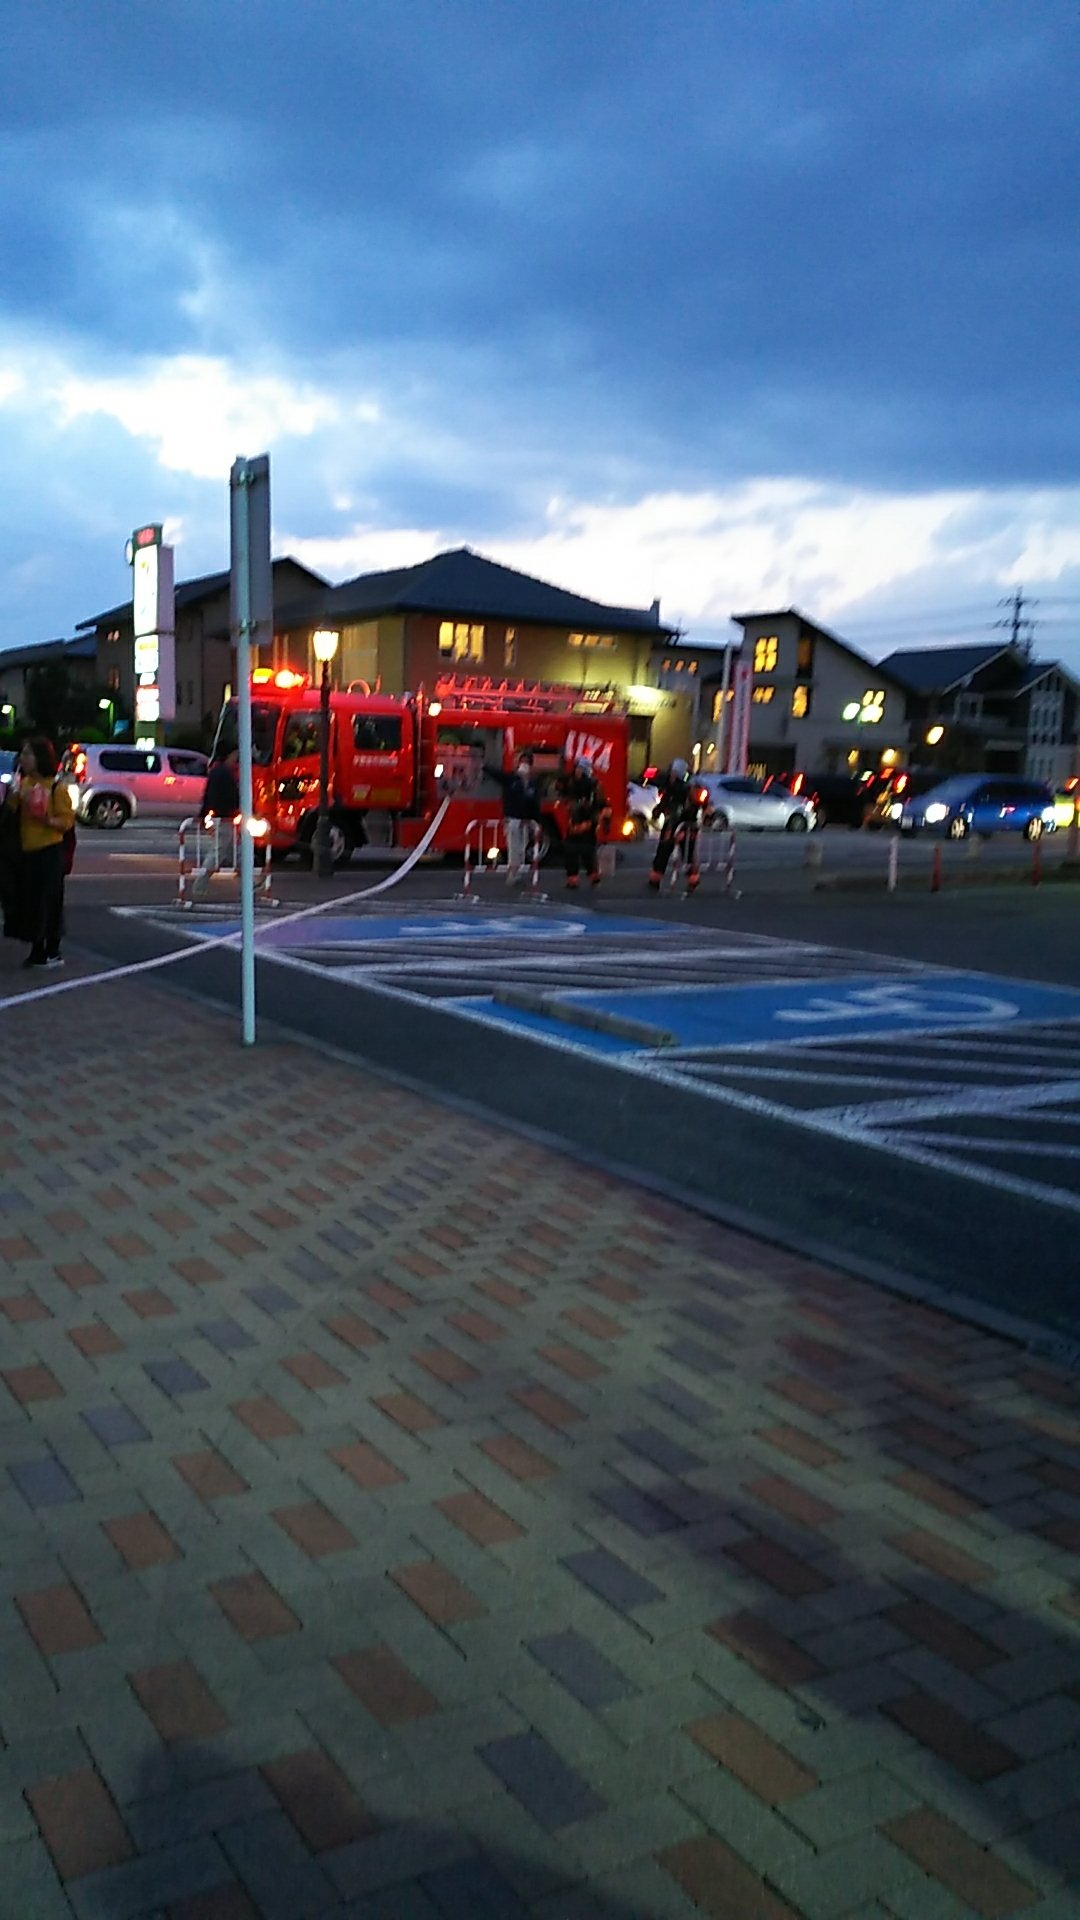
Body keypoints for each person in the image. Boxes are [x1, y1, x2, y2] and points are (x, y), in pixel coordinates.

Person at [5, 737, 74, 967]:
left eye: (28, 754)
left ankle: (51, 949)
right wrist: (12, 798)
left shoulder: (56, 788)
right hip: (27, 851)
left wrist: (46, 819)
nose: (23, 759)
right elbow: (10, 814)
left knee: (48, 901)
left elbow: (66, 822)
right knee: (31, 901)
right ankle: (37, 947)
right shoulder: (23, 784)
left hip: (48, 851)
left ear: (40, 758)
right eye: (22, 755)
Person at [483, 749, 542, 885]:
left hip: (525, 821)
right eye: (523, 762)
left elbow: (535, 803)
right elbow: (498, 775)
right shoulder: (512, 779)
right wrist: (485, 766)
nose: (524, 765)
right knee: (513, 848)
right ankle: (512, 874)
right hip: (513, 819)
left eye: (527, 762)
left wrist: (536, 821)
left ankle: (517, 872)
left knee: (522, 848)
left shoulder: (532, 784)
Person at [190, 747, 240, 900]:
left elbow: (207, 795)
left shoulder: (215, 771)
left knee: (236, 852)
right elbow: (233, 796)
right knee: (219, 852)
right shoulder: (226, 773)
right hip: (225, 817)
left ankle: (248, 883)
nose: (236, 757)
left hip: (221, 816)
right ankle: (200, 884)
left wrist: (204, 814)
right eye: (234, 754)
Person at [557, 756, 610, 890]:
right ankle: (572, 880)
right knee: (570, 851)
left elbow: (603, 804)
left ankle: (594, 876)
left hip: (588, 822)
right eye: (577, 768)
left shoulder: (594, 785)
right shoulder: (571, 783)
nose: (577, 772)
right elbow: (562, 794)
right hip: (574, 822)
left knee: (587, 851)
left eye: (580, 769)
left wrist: (604, 821)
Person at [648, 758, 702, 892]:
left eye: (672, 771)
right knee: (674, 852)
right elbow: (666, 803)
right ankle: (657, 879)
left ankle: (691, 879)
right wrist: (658, 811)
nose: (670, 774)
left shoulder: (683, 789)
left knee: (676, 853)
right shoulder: (676, 787)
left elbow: (683, 809)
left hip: (679, 826)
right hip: (678, 826)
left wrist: (680, 828)